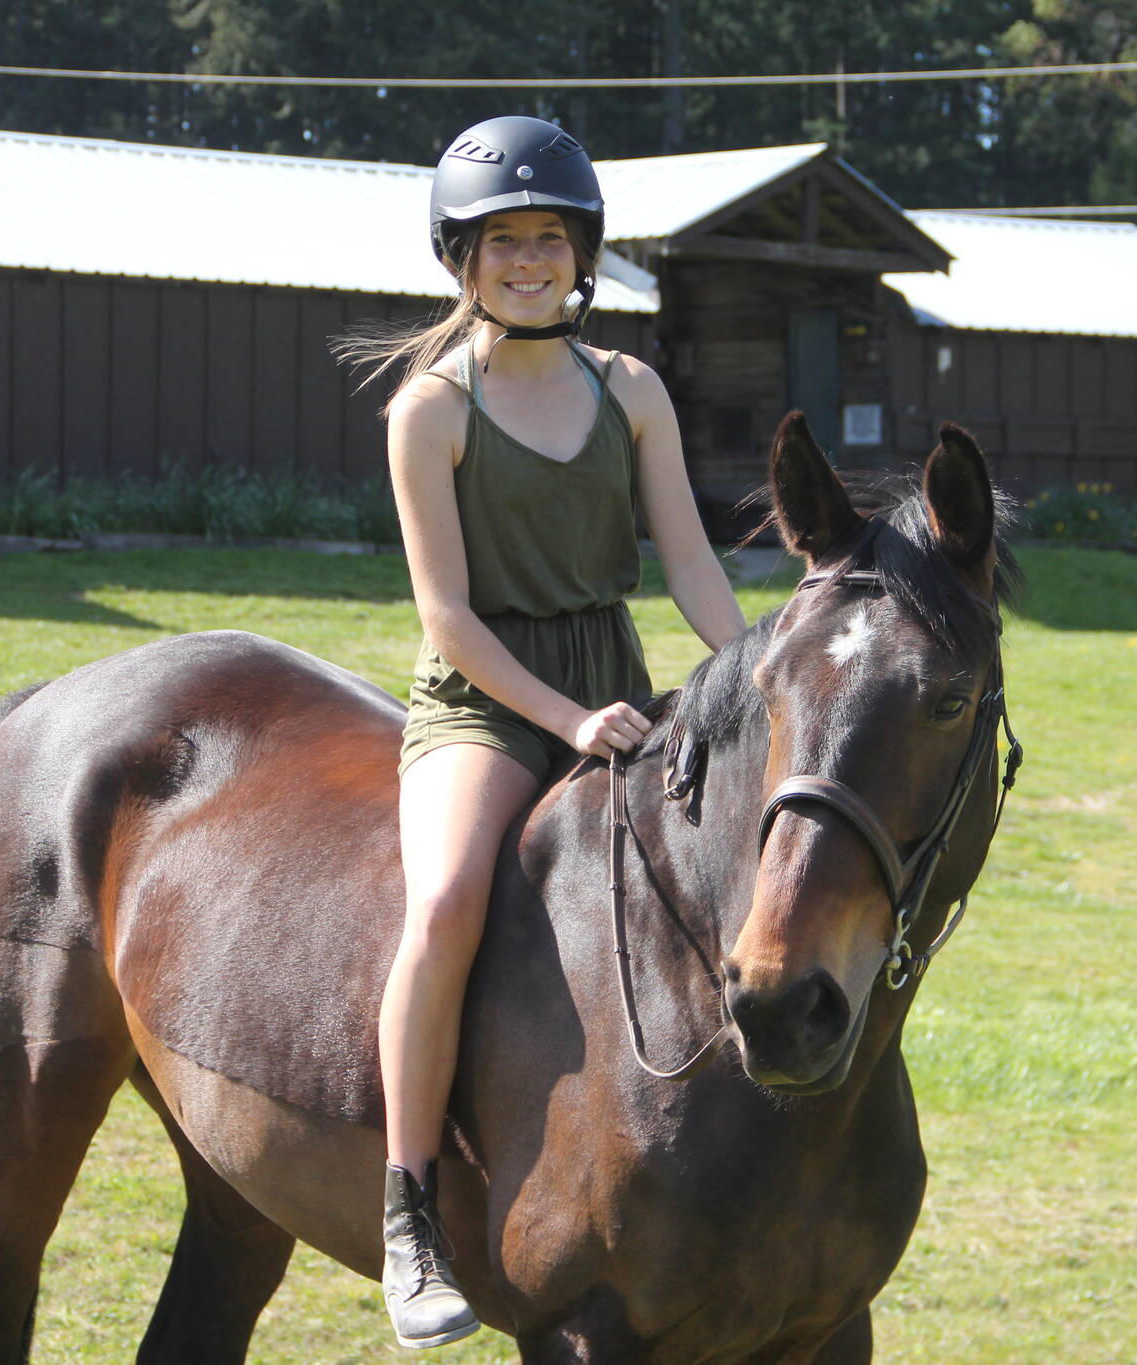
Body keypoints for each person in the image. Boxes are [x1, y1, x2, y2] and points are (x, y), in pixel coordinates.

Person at [349, 116, 747, 1349]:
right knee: (444, 906)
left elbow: (687, 559)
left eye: (547, 239)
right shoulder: (429, 410)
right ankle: (409, 1211)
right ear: (461, 257)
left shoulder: (629, 390)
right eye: (502, 241)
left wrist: (752, 676)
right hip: (483, 701)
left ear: (581, 254)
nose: (527, 260)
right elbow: (446, 616)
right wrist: (568, 719)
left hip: (612, 681)